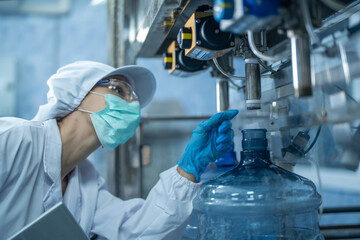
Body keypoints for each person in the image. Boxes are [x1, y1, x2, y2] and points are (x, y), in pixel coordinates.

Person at [0, 61, 238, 239]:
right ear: (76, 95)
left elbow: (138, 231)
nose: (132, 104)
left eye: (134, 98)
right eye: (118, 90)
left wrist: (189, 168)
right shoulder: (14, 140)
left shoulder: (87, 184)